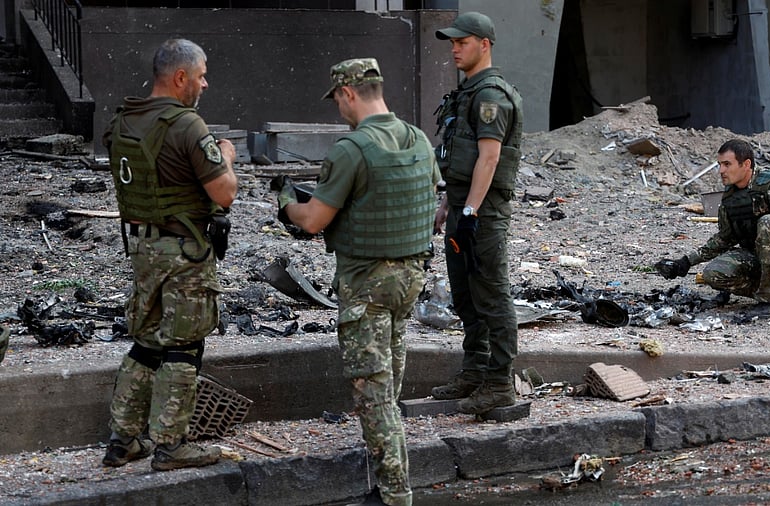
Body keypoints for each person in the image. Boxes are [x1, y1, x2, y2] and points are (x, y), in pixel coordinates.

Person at [276, 58, 438, 506]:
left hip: (367, 282)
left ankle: (393, 494)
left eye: (337, 100)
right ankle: (386, 481)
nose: (338, 110)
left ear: (348, 93)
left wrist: (287, 200)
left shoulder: (352, 149)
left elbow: (312, 221)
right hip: (409, 278)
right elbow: (425, 199)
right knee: (388, 385)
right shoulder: (418, 139)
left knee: (374, 395)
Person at [101, 38, 237, 471]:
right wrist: (228, 157)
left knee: (145, 341)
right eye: (200, 76)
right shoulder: (187, 125)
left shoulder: (125, 120)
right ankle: (172, 445)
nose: (205, 84)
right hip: (184, 251)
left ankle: (123, 440)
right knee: (183, 346)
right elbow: (225, 192)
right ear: (180, 78)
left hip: (143, 247)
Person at [430, 11, 524, 415]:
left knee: (492, 295)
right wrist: (449, 203)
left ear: (483, 45)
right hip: (464, 206)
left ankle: (500, 382)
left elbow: (489, 158)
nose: (454, 49)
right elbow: (464, 158)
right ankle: (475, 372)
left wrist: (469, 211)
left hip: (483, 212)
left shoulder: (490, 96)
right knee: (466, 294)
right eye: (452, 43)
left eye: (461, 42)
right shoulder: (469, 91)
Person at [655, 138, 770, 317]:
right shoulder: (731, 197)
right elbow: (725, 238)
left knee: (769, 221)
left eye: (727, 164)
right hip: (760, 255)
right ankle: (766, 287)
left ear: (746, 164)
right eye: (719, 165)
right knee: (713, 274)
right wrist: (686, 262)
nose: (721, 171)